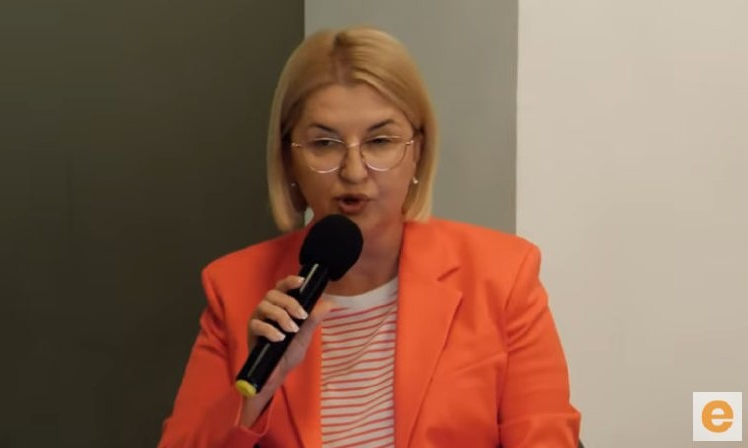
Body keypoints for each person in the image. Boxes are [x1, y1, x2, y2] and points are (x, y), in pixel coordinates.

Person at [158, 26, 581, 448]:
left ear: (418, 151)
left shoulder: (501, 276)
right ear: (288, 160)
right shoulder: (234, 288)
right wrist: (255, 397)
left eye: (380, 141)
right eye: (324, 144)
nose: (354, 171)